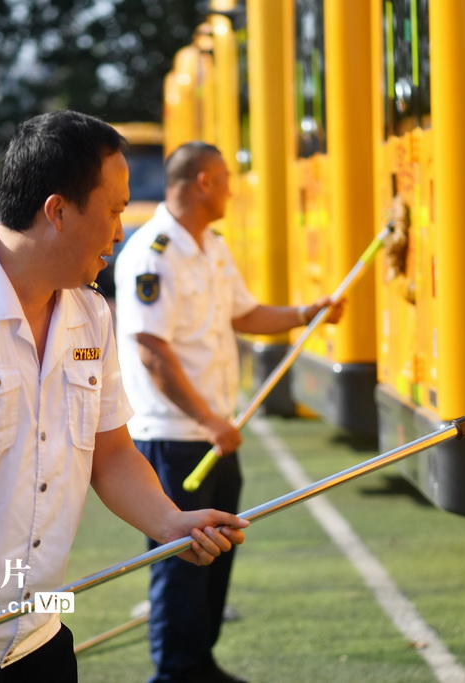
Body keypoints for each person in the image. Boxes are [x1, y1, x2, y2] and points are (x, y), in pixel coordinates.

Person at [0, 112, 249, 682]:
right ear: (57, 211)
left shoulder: (90, 315)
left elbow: (111, 454)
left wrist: (170, 523)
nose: (120, 232)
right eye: (114, 211)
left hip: (36, 635)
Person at [114, 142, 345, 683]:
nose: (232, 189)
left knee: (215, 558)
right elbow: (152, 350)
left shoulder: (211, 246)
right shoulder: (155, 251)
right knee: (180, 564)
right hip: (176, 437)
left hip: (215, 433)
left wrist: (309, 313)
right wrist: (211, 420)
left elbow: (246, 313)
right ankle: (174, 673)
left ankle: (199, 664)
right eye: (224, 178)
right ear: (201, 183)